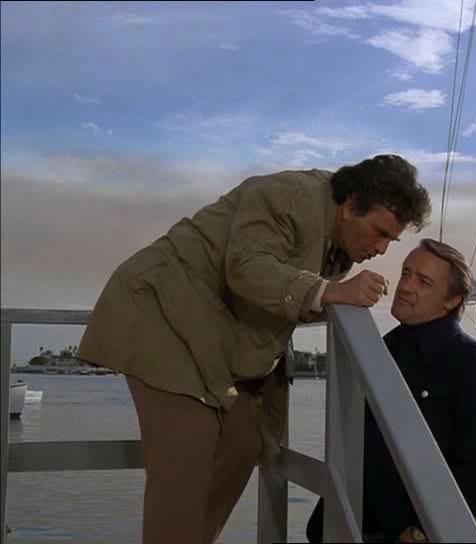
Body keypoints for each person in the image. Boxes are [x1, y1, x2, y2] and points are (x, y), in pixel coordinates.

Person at [76, 154, 431, 544]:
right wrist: (329, 291)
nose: (381, 249)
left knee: (244, 442)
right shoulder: (289, 196)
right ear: (349, 207)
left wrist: (328, 293)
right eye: (379, 233)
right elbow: (247, 268)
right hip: (161, 315)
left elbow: (286, 296)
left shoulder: (339, 245)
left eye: (391, 240)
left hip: (213, 338)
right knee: (187, 458)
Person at [306, 238, 476, 543]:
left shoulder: (472, 362)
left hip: (406, 534)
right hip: (349, 522)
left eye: (424, 282)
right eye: (406, 273)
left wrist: (423, 533)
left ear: (452, 300)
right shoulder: (380, 347)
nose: (406, 286)